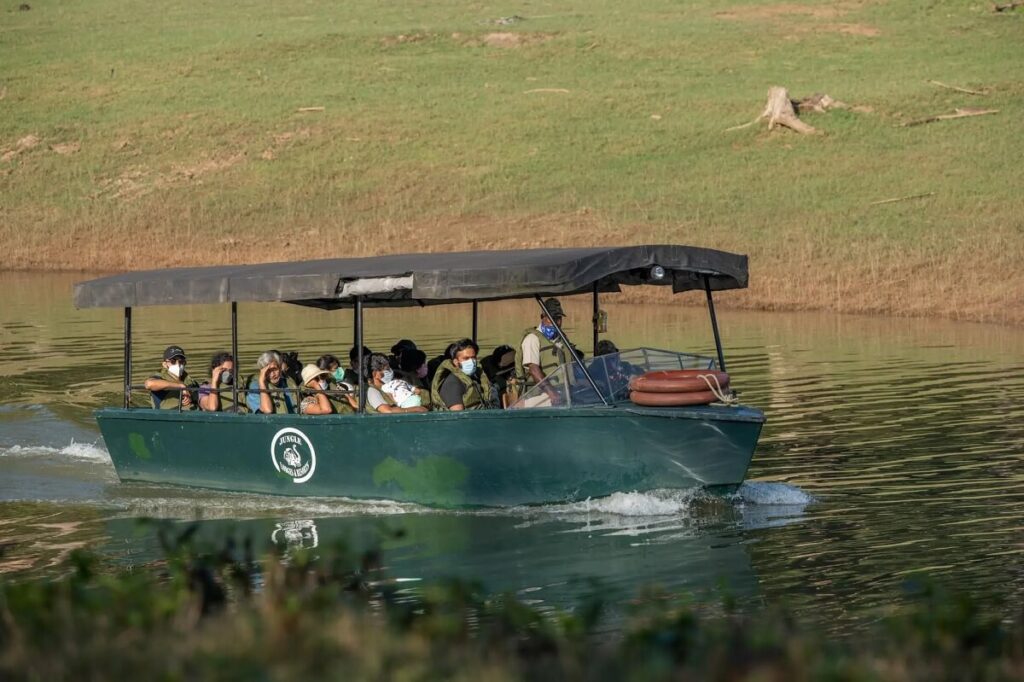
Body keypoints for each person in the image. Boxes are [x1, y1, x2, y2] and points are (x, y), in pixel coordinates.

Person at [514, 298, 572, 404]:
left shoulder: (561, 339)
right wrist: (552, 393)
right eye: (551, 318)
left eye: (558, 318)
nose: (556, 322)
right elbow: (533, 370)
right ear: (542, 317)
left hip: (564, 391)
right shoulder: (532, 339)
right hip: (539, 394)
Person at [431, 338, 492, 411]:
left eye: (473, 357)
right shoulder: (452, 383)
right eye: (466, 358)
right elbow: (458, 417)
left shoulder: (476, 378)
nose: (471, 361)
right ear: (456, 362)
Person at [362, 353, 428, 414]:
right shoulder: (373, 391)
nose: (390, 372)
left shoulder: (391, 386)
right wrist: (415, 409)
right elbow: (387, 410)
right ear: (375, 374)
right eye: (386, 369)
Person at [144, 345, 199, 410]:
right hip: (168, 416)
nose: (178, 364)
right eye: (173, 361)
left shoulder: (190, 381)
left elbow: (199, 398)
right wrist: (181, 386)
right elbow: (149, 384)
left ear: (185, 363)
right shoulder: (160, 377)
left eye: (181, 362)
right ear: (165, 364)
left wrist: (191, 398)